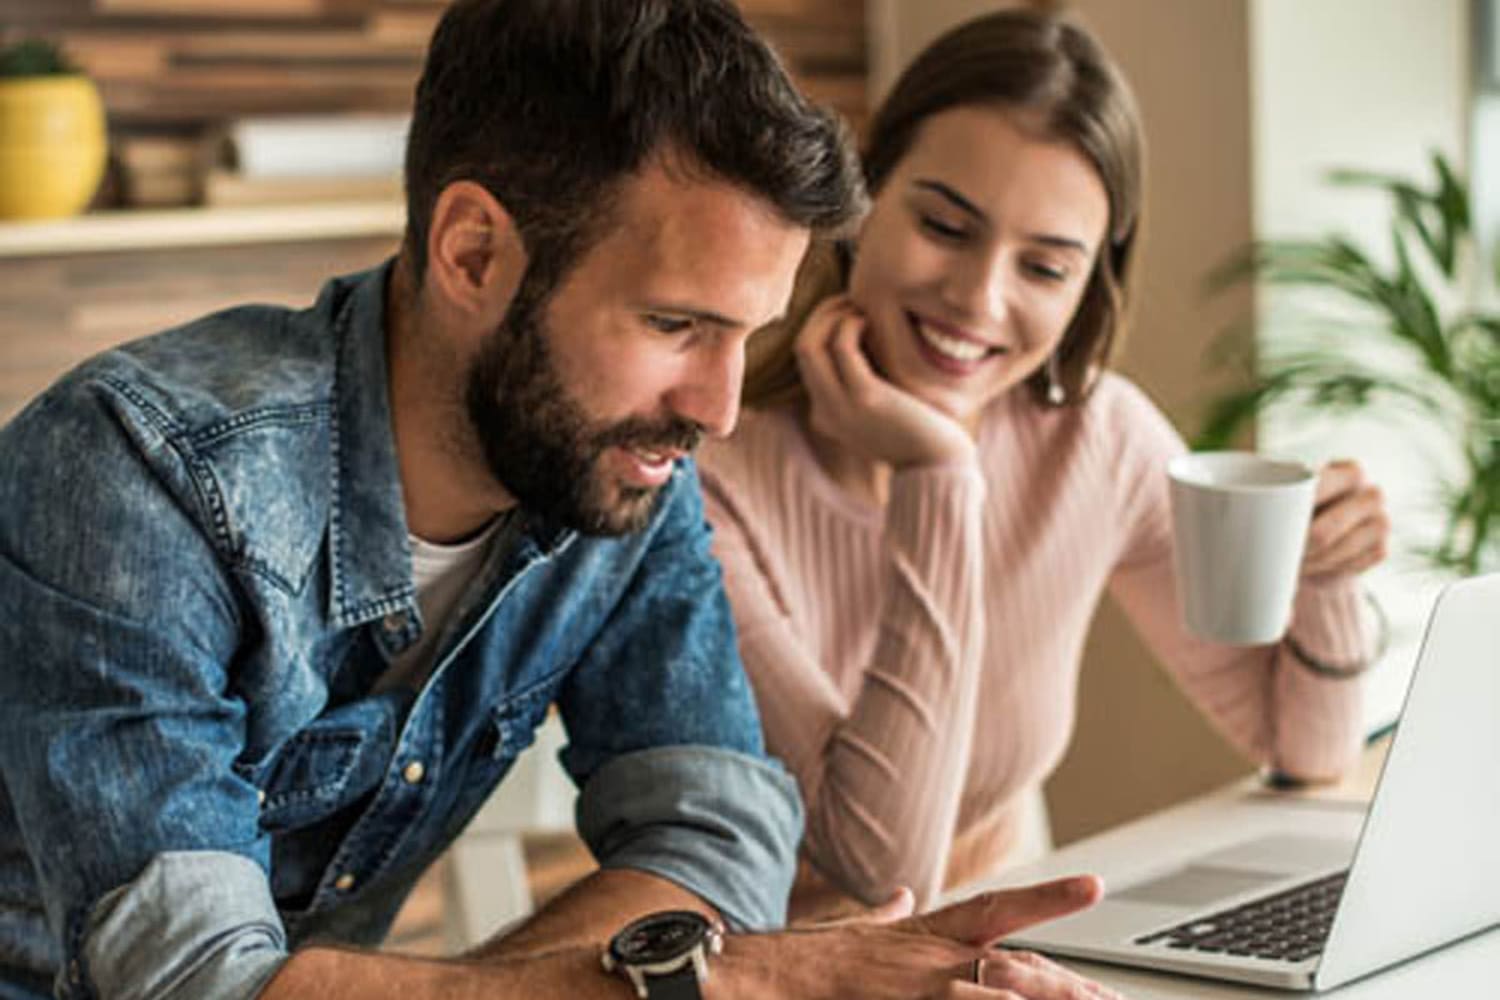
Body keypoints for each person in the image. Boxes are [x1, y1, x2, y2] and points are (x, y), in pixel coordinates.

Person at [0, 3, 1115, 999]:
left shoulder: (618, 467)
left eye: (748, 335)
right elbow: (190, 981)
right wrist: (726, 984)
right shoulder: (134, 473)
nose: (721, 408)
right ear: (475, 252)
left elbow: (718, 833)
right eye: (676, 325)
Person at [698, 8, 1391, 919]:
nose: (978, 297)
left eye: (1045, 268)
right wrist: (938, 474)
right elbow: (881, 871)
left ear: (1087, 290)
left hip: (1006, 950)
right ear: (864, 197)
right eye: (946, 226)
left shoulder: (1093, 438)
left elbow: (1308, 748)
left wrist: (1329, 573)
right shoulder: (712, 483)